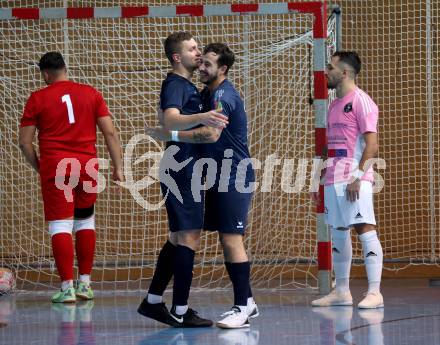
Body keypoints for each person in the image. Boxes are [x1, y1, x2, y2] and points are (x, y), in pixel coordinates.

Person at [147, 43, 258, 329]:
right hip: (212, 175)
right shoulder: (203, 92)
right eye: (201, 59)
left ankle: (242, 306)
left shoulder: (222, 95)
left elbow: (209, 135)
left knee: (231, 239)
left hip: (233, 175)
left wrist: (168, 134)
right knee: (187, 237)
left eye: (208, 63)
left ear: (222, 69)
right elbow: (173, 116)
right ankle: (246, 303)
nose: (202, 66)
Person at [137, 32, 227, 328]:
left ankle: (152, 302)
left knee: (178, 237)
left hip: (186, 166)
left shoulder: (185, 84)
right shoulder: (175, 84)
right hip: (181, 168)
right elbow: (170, 120)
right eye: (192, 48)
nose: (198, 51)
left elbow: (165, 128)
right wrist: (204, 117)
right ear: (178, 57)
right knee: (189, 236)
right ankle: (180, 309)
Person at [19, 52, 123, 303]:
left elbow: (24, 143)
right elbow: (109, 132)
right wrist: (118, 168)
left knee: (60, 225)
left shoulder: (37, 98)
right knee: (85, 222)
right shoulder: (91, 93)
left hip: (56, 166)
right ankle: (85, 284)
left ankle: (66, 288)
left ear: (45, 74)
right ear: (65, 69)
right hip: (87, 166)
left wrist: (41, 167)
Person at [311, 51, 383, 309]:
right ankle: (342, 291)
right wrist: (316, 179)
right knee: (339, 233)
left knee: (364, 228)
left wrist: (357, 177)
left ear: (344, 73)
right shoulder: (333, 105)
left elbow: (372, 145)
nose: (326, 72)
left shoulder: (362, 102)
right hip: (333, 178)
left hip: (355, 178)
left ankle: (375, 293)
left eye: (330, 67)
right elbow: (328, 146)